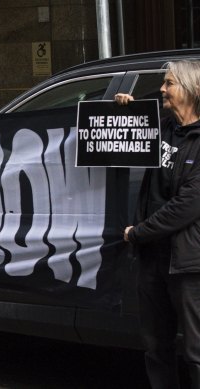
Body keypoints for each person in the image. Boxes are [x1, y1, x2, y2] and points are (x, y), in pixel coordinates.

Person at [117, 59, 200, 388]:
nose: (163, 89)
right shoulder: (161, 127)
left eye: (169, 84)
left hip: (188, 266)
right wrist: (124, 113)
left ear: (192, 90)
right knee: (155, 348)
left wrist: (138, 233)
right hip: (153, 260)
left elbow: (187, 206)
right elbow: (120, 141)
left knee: (196, 352)